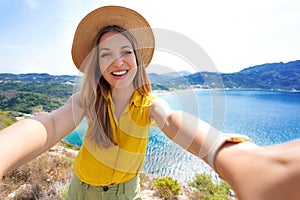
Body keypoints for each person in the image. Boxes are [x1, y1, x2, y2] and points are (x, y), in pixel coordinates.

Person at [0, 5, 299, 200]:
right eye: (105, 54)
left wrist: (227, 150)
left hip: (127, 194)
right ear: (96, 65)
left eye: (126, 51)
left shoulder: (149, 104)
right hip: (82, 191)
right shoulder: (86, 101)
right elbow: (51, 124)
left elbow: (171, 120)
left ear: (138, 59)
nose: (117, 61)